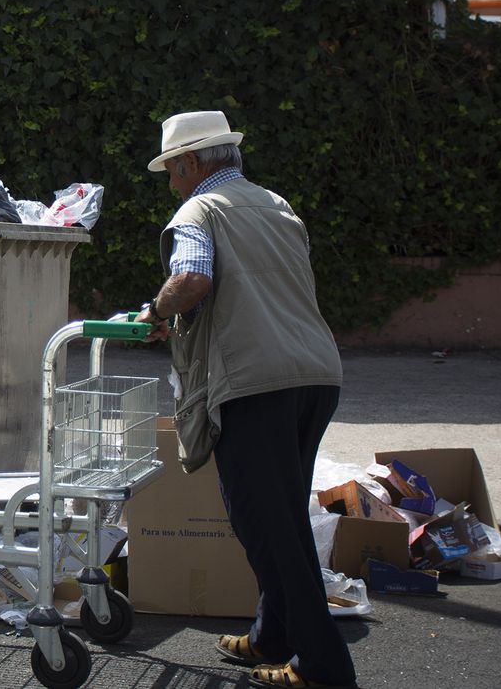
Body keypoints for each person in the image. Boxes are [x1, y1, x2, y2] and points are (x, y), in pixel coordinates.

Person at [135, 111, 356, 689]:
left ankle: (323, 666)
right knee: (272, 516)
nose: (171, 182)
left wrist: (155, 311)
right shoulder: (276, 204)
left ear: (190, 163)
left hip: (257, 380)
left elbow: (192, 281)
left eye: (172, 170)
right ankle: (271, 635)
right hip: (314, 373)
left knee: (269, 525)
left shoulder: (198, 212)